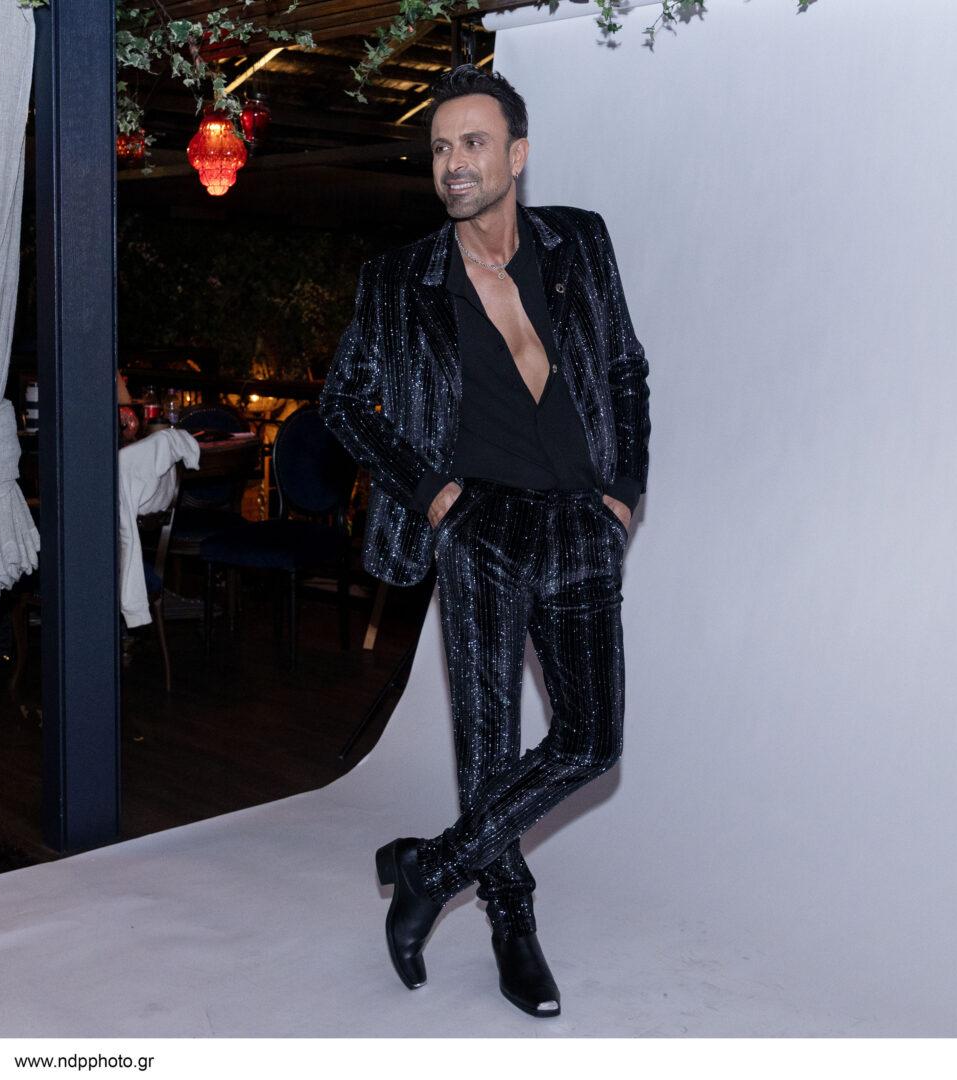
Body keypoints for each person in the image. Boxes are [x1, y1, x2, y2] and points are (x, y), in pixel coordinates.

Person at [318, 64, 650, 1018]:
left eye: (472, 143)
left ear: (517, 154)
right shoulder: (400, 281)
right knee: (490, 744)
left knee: (592, 741)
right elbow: (343, 402)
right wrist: (433, 495)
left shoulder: (580, 242)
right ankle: (512, 922)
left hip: (582, 522)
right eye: (440, 148)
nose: (453, 163)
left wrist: (624, 492)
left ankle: (428, 869)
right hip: (482, 529)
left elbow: (624, 368)